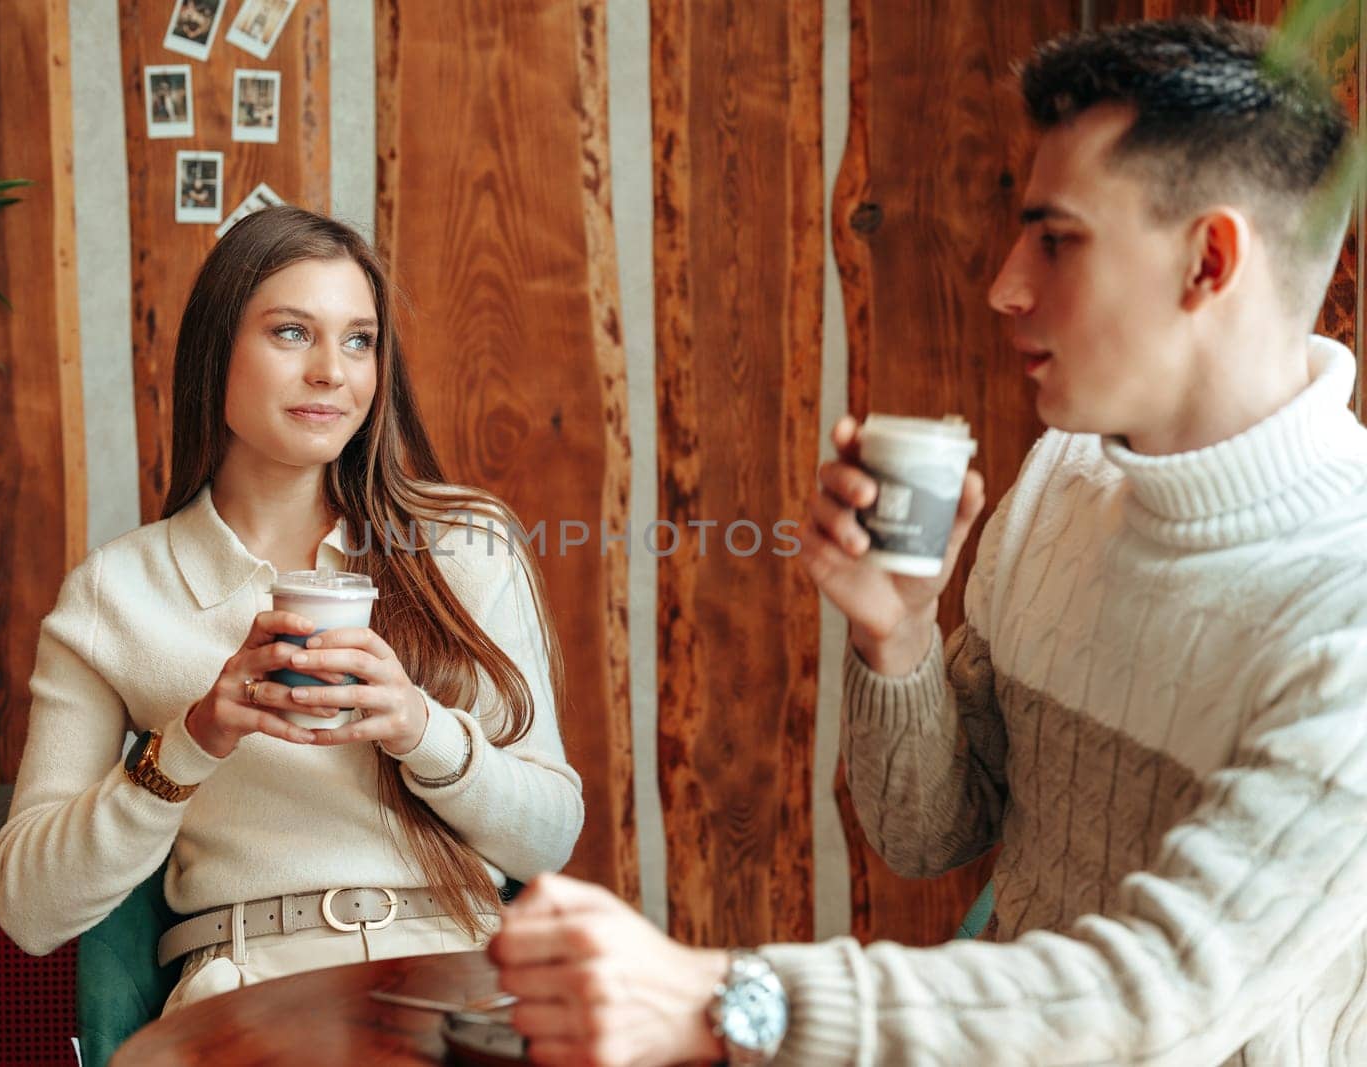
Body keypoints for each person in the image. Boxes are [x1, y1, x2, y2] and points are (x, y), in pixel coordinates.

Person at [489, 17, 1367, 1065]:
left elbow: (1162, 995)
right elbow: (926, 835)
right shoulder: (1064, 478)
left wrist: (719, 994)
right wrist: (896, 636)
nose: (1004, 284)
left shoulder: (1344, 603)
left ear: (1207, 260)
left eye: (1055, 237)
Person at [0, 207, 583, 1013]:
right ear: (216, 354)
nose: (333, 371)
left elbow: (549, 838)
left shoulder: (462, 549)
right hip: (243, 983)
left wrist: (417, 724)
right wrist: (191, 742)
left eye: (359, 339)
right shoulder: (117, 593)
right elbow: (28, 908)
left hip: (457, 969)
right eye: (292, 333)